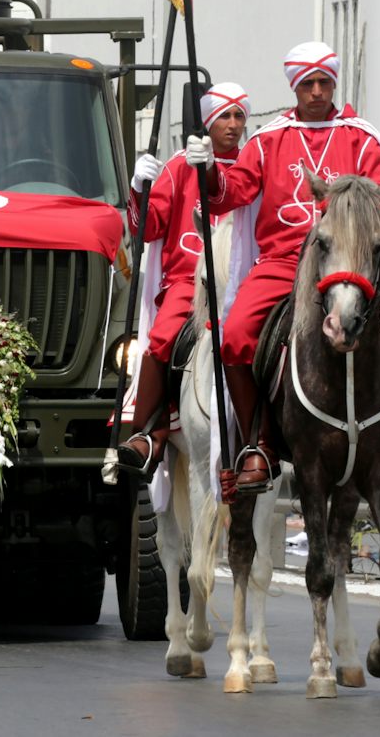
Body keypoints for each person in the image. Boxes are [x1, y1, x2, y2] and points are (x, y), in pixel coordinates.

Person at [194, 40, 380, 492]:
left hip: (354, 262)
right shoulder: (268, 140)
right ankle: (259, 443)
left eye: (324, 83)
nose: (317, 91)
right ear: (295, 87)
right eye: (308, 84)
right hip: (284, 261)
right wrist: (210, 172)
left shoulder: (361, 137)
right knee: (233, 340)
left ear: (333, 83)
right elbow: (231, 193)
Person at [113, 81, 250, 475]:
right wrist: (140, 189)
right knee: (160, 340)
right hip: (188, 280)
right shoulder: (177, 167)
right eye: (224, 115)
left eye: (240, 115)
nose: (233, 124)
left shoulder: (252, 164)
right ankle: (148, 435)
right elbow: (149, 228)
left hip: (242, 281)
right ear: (207, 120)